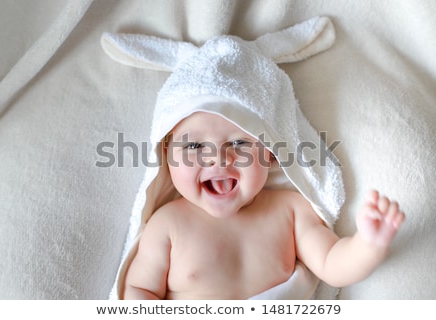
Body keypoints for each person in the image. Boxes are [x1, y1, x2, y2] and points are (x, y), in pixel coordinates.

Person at [123, 111, 405, 300]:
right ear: (167, 156)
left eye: (238, 142)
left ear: (269, 153)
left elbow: (332, 263)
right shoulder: (168, 222)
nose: (218, 159)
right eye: (194, 147)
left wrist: (368, 244)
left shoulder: (291, 211)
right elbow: (139, 290)